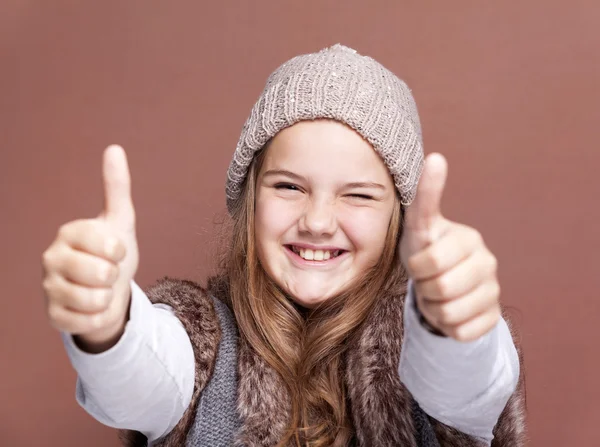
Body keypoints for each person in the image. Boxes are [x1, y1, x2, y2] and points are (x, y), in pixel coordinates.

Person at [42, 44, 526, 446]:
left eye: (357, 196)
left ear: (397, 221)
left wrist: (454, 323)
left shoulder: (423, 341)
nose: (316, 221)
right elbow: (141, 374)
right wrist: (108, 321)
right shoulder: (197, 344)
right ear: (250, 199)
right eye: (289, 187)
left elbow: (468, 383)